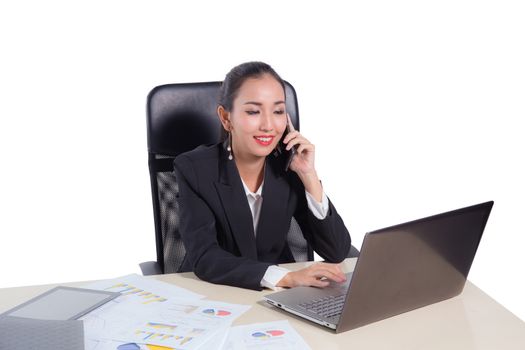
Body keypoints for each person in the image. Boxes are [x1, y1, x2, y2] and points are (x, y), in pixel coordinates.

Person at [173, 61, 351, 290]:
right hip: (213, 294)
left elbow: (336, 250)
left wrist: (309, 176)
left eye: (278, 111)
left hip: (276, 300)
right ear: (226, 118)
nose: (268, 125)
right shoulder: (194, 169)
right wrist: (285, 278)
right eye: (253, 111)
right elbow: (205, 257)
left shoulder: (289, 167)